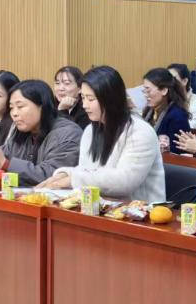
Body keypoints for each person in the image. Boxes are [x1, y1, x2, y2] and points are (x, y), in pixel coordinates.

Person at [39, 66, 165, 202]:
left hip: (140, 211)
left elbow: (124, 182)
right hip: (99, 207)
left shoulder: (140, 132)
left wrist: (72, 179)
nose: (85, 105)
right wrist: (65, 174)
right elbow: (87, 171)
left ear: (110, 99)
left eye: (90, 99)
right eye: (83, 98)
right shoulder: (90, 130)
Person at [0, 80, 82, 186]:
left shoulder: (68, 133)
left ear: (42, 106)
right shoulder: (22, 132)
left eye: (20, 106)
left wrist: (6, 164)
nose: (14, 113)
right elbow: (2, 154)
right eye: (11, 108)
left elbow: (52, 177)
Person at [142, 68, 190, 151]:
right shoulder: (150, 110)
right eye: (144, 91)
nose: (146, 95)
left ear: (164, 91)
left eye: (148, 90)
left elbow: (177, 151)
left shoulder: (177, 116)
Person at [168, 63, 196, 130]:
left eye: (173, 78)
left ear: (184, 81)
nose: (168, 82)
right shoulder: (164, 99)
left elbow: (191, 128)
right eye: (167, 79)